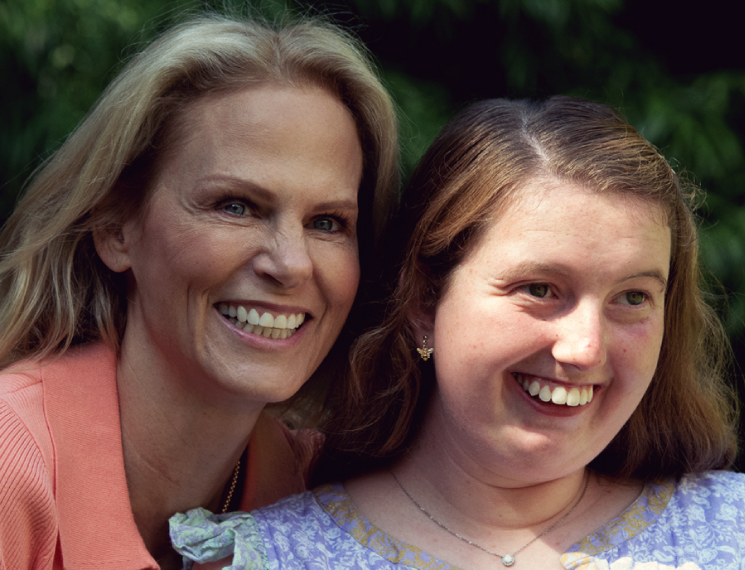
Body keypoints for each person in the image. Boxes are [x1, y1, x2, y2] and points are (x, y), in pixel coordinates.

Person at [0, 14, 398, 570]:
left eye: (328, 222)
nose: (291, 264)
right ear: (116, 229)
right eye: (235, 205)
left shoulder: (331, 502)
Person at [170, 96, 744, 569]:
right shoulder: (267, 559)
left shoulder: (731, 529)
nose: (585, 347)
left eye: (632, 298)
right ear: (423, 301)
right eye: (539, 289)